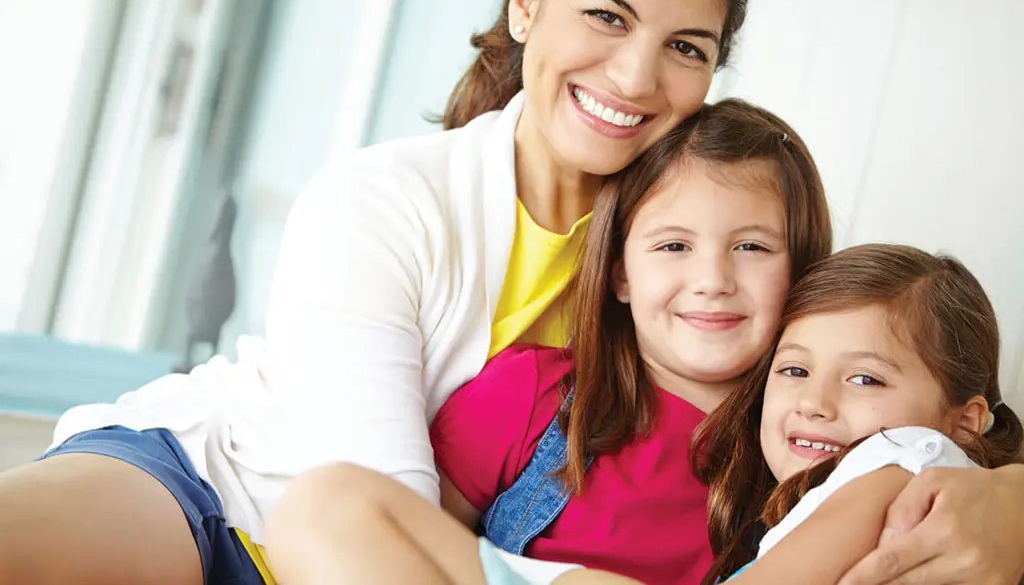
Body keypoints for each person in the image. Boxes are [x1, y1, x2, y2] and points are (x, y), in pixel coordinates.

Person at [1, 0, 1022, 584]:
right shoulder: (384, 200)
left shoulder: (702, 234)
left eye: (684, 48)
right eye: (605, 16)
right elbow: (370, 509)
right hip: (221, 479)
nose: (631, 76)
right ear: (525, 4)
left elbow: (896, 395)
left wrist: (1006, 491)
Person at [265, 97, 833, 585]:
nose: (713, 280)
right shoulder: (530, 393)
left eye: (752, 247)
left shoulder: (809, 446)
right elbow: (412, 549)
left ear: (804, 270)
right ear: (620, 274)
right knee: (323, 506)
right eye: (673, 247)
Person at [693, 244, 1024, 584]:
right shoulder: (772, 518)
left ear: (964, 423)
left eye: (865, 379)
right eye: (795, 370)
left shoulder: (904, 460)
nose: (813, 403)